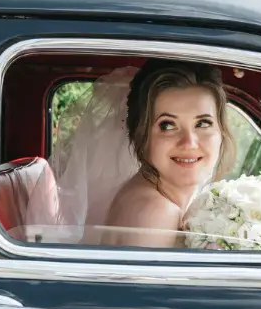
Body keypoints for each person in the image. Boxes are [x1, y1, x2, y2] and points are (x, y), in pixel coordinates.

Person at [44, 60, 232, 248]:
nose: (189, 143)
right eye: (167, 125)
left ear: (221, 131)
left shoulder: (152, 195)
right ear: (142, 136)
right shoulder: (157, 214)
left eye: (202, 123)